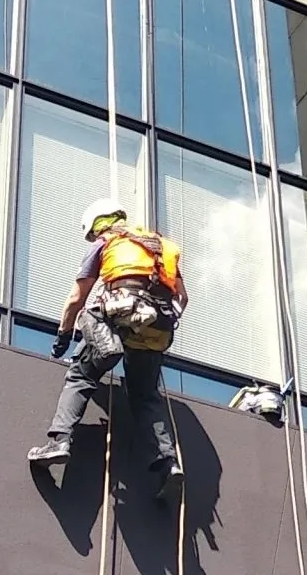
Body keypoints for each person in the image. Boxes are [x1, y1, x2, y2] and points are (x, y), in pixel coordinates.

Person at [28, 199, 188, 499]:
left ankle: (60, 441)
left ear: (96, 226)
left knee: (80, 376)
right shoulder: (160, 247)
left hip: (120, 314)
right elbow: (182, 298)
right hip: (157, 326)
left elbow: (77, 298)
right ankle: (169, 463)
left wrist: (64, 334)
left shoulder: (106, 243)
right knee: (145, 396)